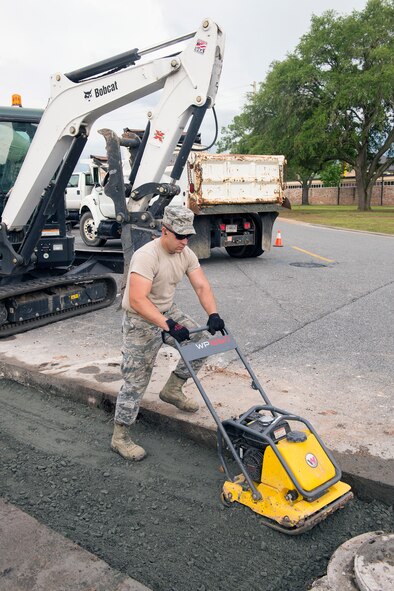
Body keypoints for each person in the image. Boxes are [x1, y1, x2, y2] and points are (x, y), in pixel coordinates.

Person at [111, 204, 225, 461]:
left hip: (166, 311)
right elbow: (138, 300)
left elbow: (201, 285)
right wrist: (168, 325)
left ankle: (172, 389)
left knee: (202, 344)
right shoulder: (146, 256)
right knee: (136, 381)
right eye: (180, 236)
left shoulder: (186, 254)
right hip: (140, 321)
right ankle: (120, 437)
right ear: (165, 231)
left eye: (189, 236)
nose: (185, 241)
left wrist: (213, 315)